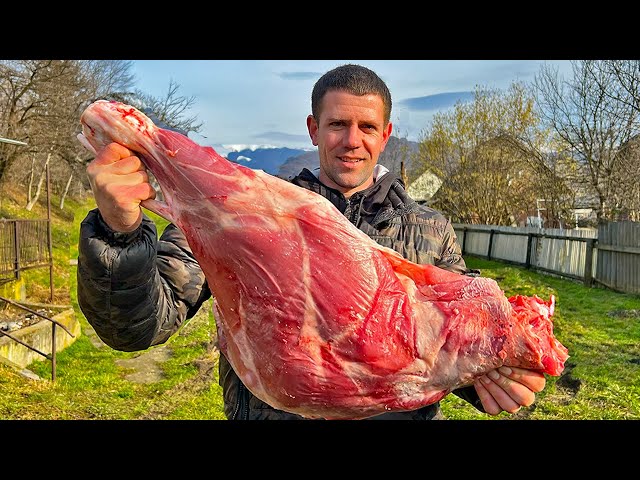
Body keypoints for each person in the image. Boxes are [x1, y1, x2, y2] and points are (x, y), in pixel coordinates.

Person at [77, 63, 546, 420]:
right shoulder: (241, 216)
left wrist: (494, 377)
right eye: (337, 124)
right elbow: (138, 327)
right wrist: (119, 231)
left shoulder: (429, 230)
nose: (351, 141)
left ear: (385, 136)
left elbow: (455, 344)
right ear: (313, 129)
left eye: (366, 128)